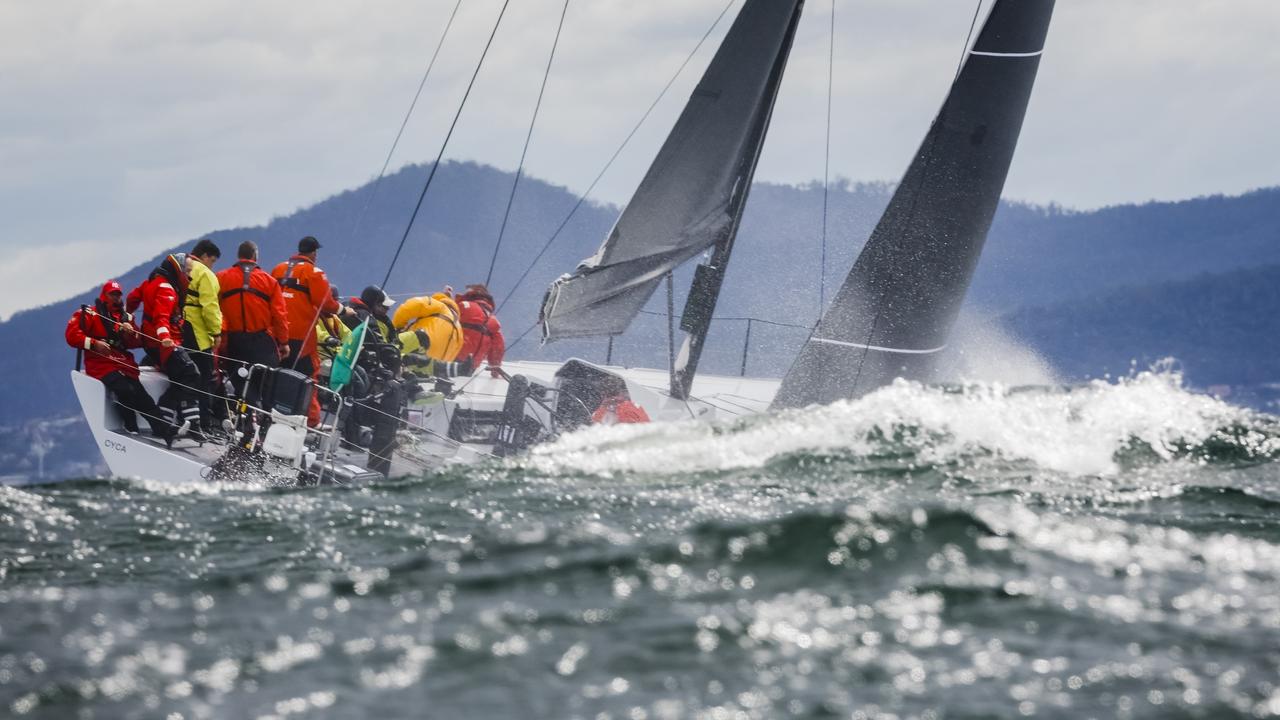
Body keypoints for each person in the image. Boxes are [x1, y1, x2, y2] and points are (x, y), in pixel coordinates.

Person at [66, 281, 175, 444]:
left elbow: (137, 343)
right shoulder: (90, 314)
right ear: (105, 295)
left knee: (142, 395)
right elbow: (72, 335)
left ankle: (164, 430)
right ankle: (130, 423)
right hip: (100, 363)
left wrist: (130, 334)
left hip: (123, 363)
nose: (116, 298)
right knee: (125, 389)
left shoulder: (127, 318)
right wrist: (94, 343)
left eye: (118, 295)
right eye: (112, 294)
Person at [125, 254, 204, 438]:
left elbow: (131, 298)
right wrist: (165, 337)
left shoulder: (150, 283)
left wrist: (127, 315)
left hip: (151, 343)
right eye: (188, 271)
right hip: (163, 343)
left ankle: (170, 420)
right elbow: (162, 317)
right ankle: (188, 422)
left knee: (181, 376)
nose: (190, 276)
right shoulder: (167, 288)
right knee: (191, 374)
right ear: (179, 269)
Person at [272, 236, 339, 426]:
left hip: (276, 335)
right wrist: (342, 310)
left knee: (275, 375)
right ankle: (311, 422)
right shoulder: (315, 272)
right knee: (309, 377)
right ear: (313, 252)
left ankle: (269, 415)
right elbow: (325, 302)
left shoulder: (278, 268)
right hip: (302, 339)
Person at [217, 241, 289, 410]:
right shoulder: (269, 281)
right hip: (262, 342)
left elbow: (215, 309)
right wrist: (284, 342)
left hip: (234, 342)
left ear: (239, 256)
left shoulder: (221, 277)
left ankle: (246, 414)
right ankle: (262, 423)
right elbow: (280, 315)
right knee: (267, 386)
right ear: (255, 256)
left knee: (241, 385)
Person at [183, 238, 223, 432]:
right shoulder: (205, 274)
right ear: (205, 256)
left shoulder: (181, 266)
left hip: (178, 327)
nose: (212, 265)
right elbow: (210, 307)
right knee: (205, 378)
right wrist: (217, 332)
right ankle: (204, 425)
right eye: (213, 260)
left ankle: (181, 418)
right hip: (197, 332)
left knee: (182, 373)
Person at [453, 283, 506, 378]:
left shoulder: (464, 305)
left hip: (452, 357)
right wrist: (495, 368)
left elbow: (446, 321)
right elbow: (498, 347)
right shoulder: (493, 320)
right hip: (472, 366)